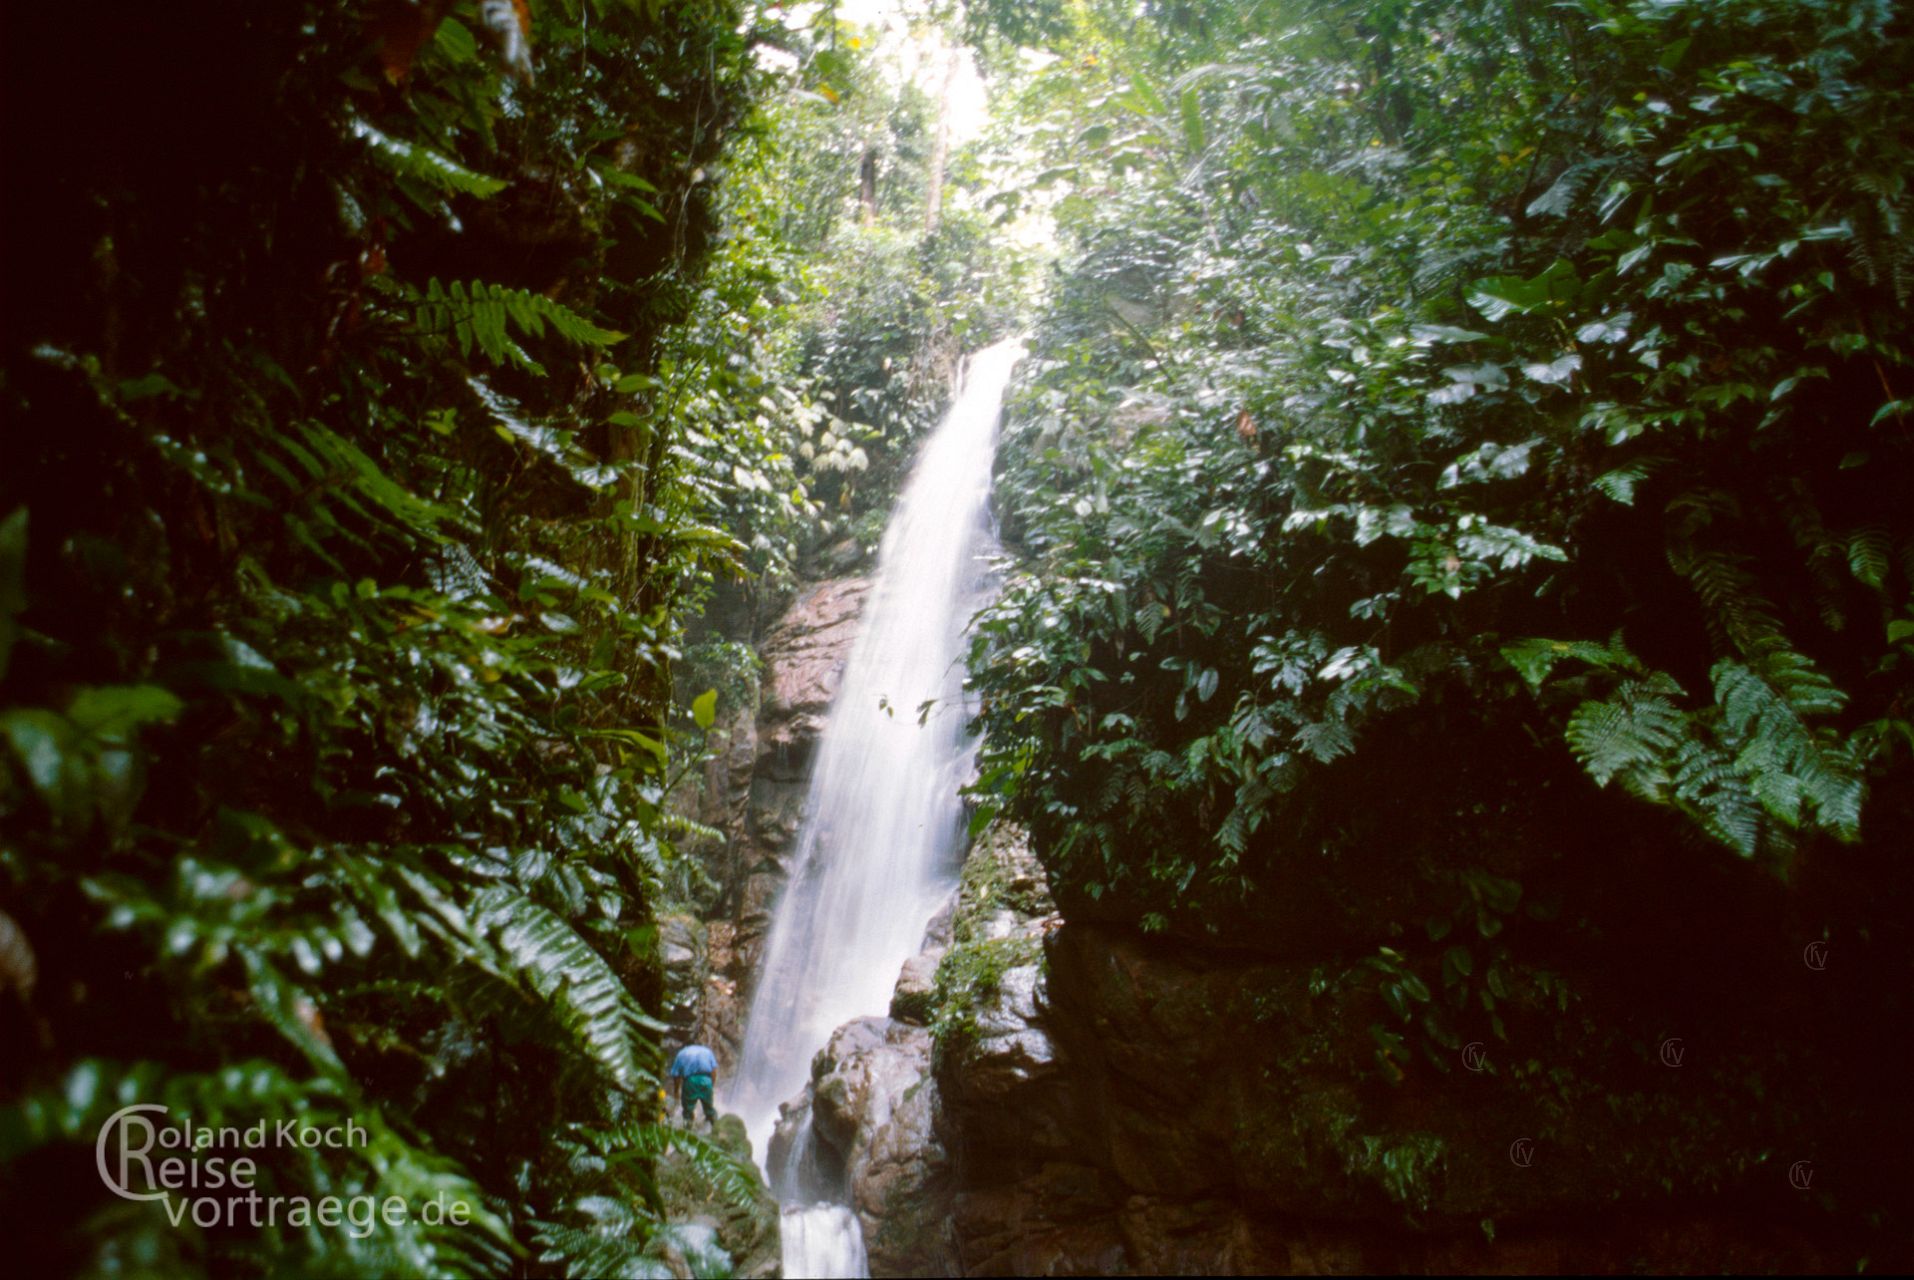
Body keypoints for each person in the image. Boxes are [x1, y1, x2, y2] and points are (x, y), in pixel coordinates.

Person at [667, 1042, 719, 1128]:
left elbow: (676, 1075)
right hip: (706, 1080)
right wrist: (711, 1085)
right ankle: (716, 1129)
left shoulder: (682, 1053)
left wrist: (676, 1091)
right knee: (709, 1109)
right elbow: (714, 1070)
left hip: (690, 1081)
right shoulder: (707, 1051)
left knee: (688, 1111)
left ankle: (687, 1132)